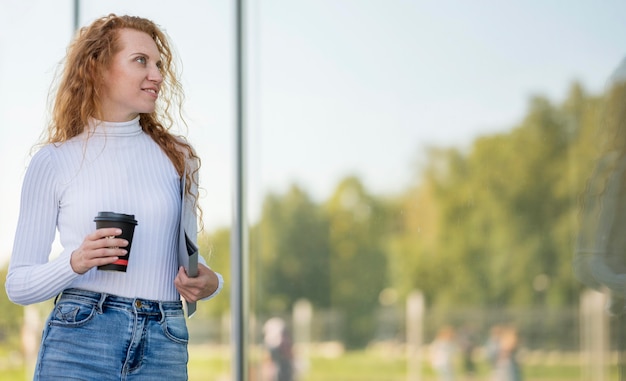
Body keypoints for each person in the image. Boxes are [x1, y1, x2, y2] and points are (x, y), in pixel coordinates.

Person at [5, 14, 223, 380]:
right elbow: (19, 285)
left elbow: (185, 260)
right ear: (99, 68)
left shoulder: (179, 157)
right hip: (81, 336)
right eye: (141, 61)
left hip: (164, 336)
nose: (156, 74)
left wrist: (211, 283)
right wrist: (75, 261)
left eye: (158, 64)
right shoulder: (54, 161)